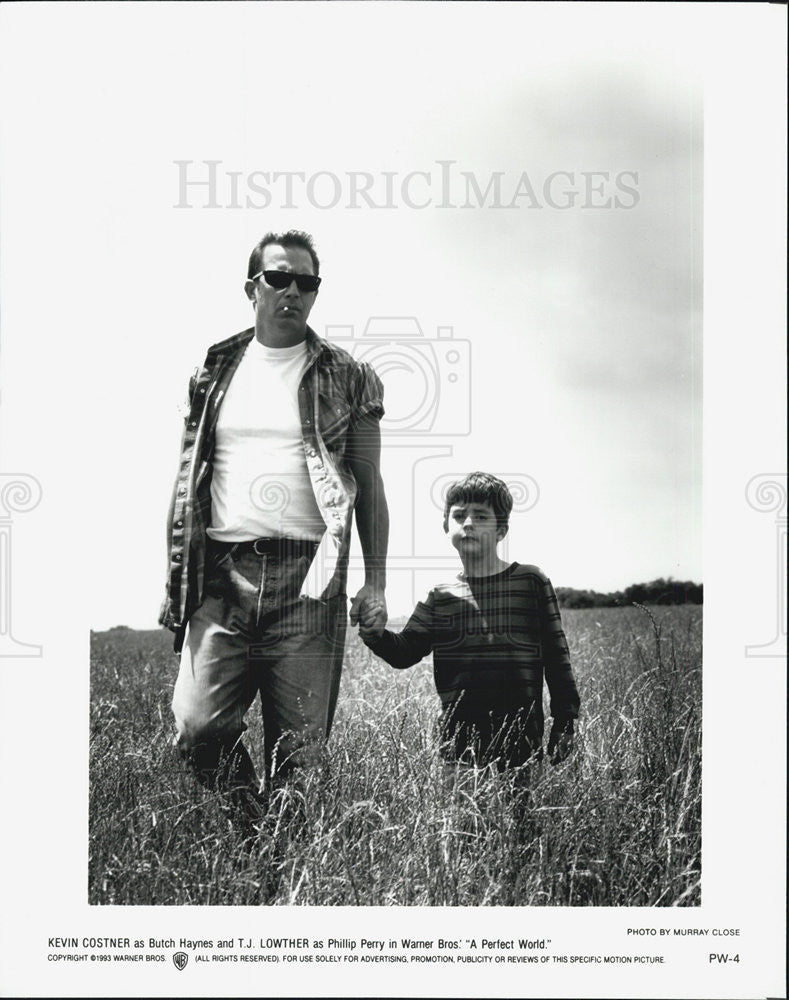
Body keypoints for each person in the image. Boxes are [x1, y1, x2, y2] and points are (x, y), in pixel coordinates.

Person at [159, 230, 388, 827]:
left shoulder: (349, 375)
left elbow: (370, 484)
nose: (292, 291)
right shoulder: (213, 372)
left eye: (306, 282)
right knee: (196, 728)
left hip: (309, 582)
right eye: (278, 278)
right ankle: (255, 830)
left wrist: (377, 581)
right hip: (221, 576)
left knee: (300, 760)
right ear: (251, 288)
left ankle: (281, 881)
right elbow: (191, 478)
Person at [358, 471, 578, 774]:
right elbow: (405, 651)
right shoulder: (440, 595)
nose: (469, 523)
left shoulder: (531, 580)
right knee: (462, 822)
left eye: (481, 516)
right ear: (446, 526)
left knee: (523, 822)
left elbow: (557, 657)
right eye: (459, 516)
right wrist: (376, 634)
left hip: (522, 742)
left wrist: (565, 722)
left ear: (501, 530)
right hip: (458, 747)